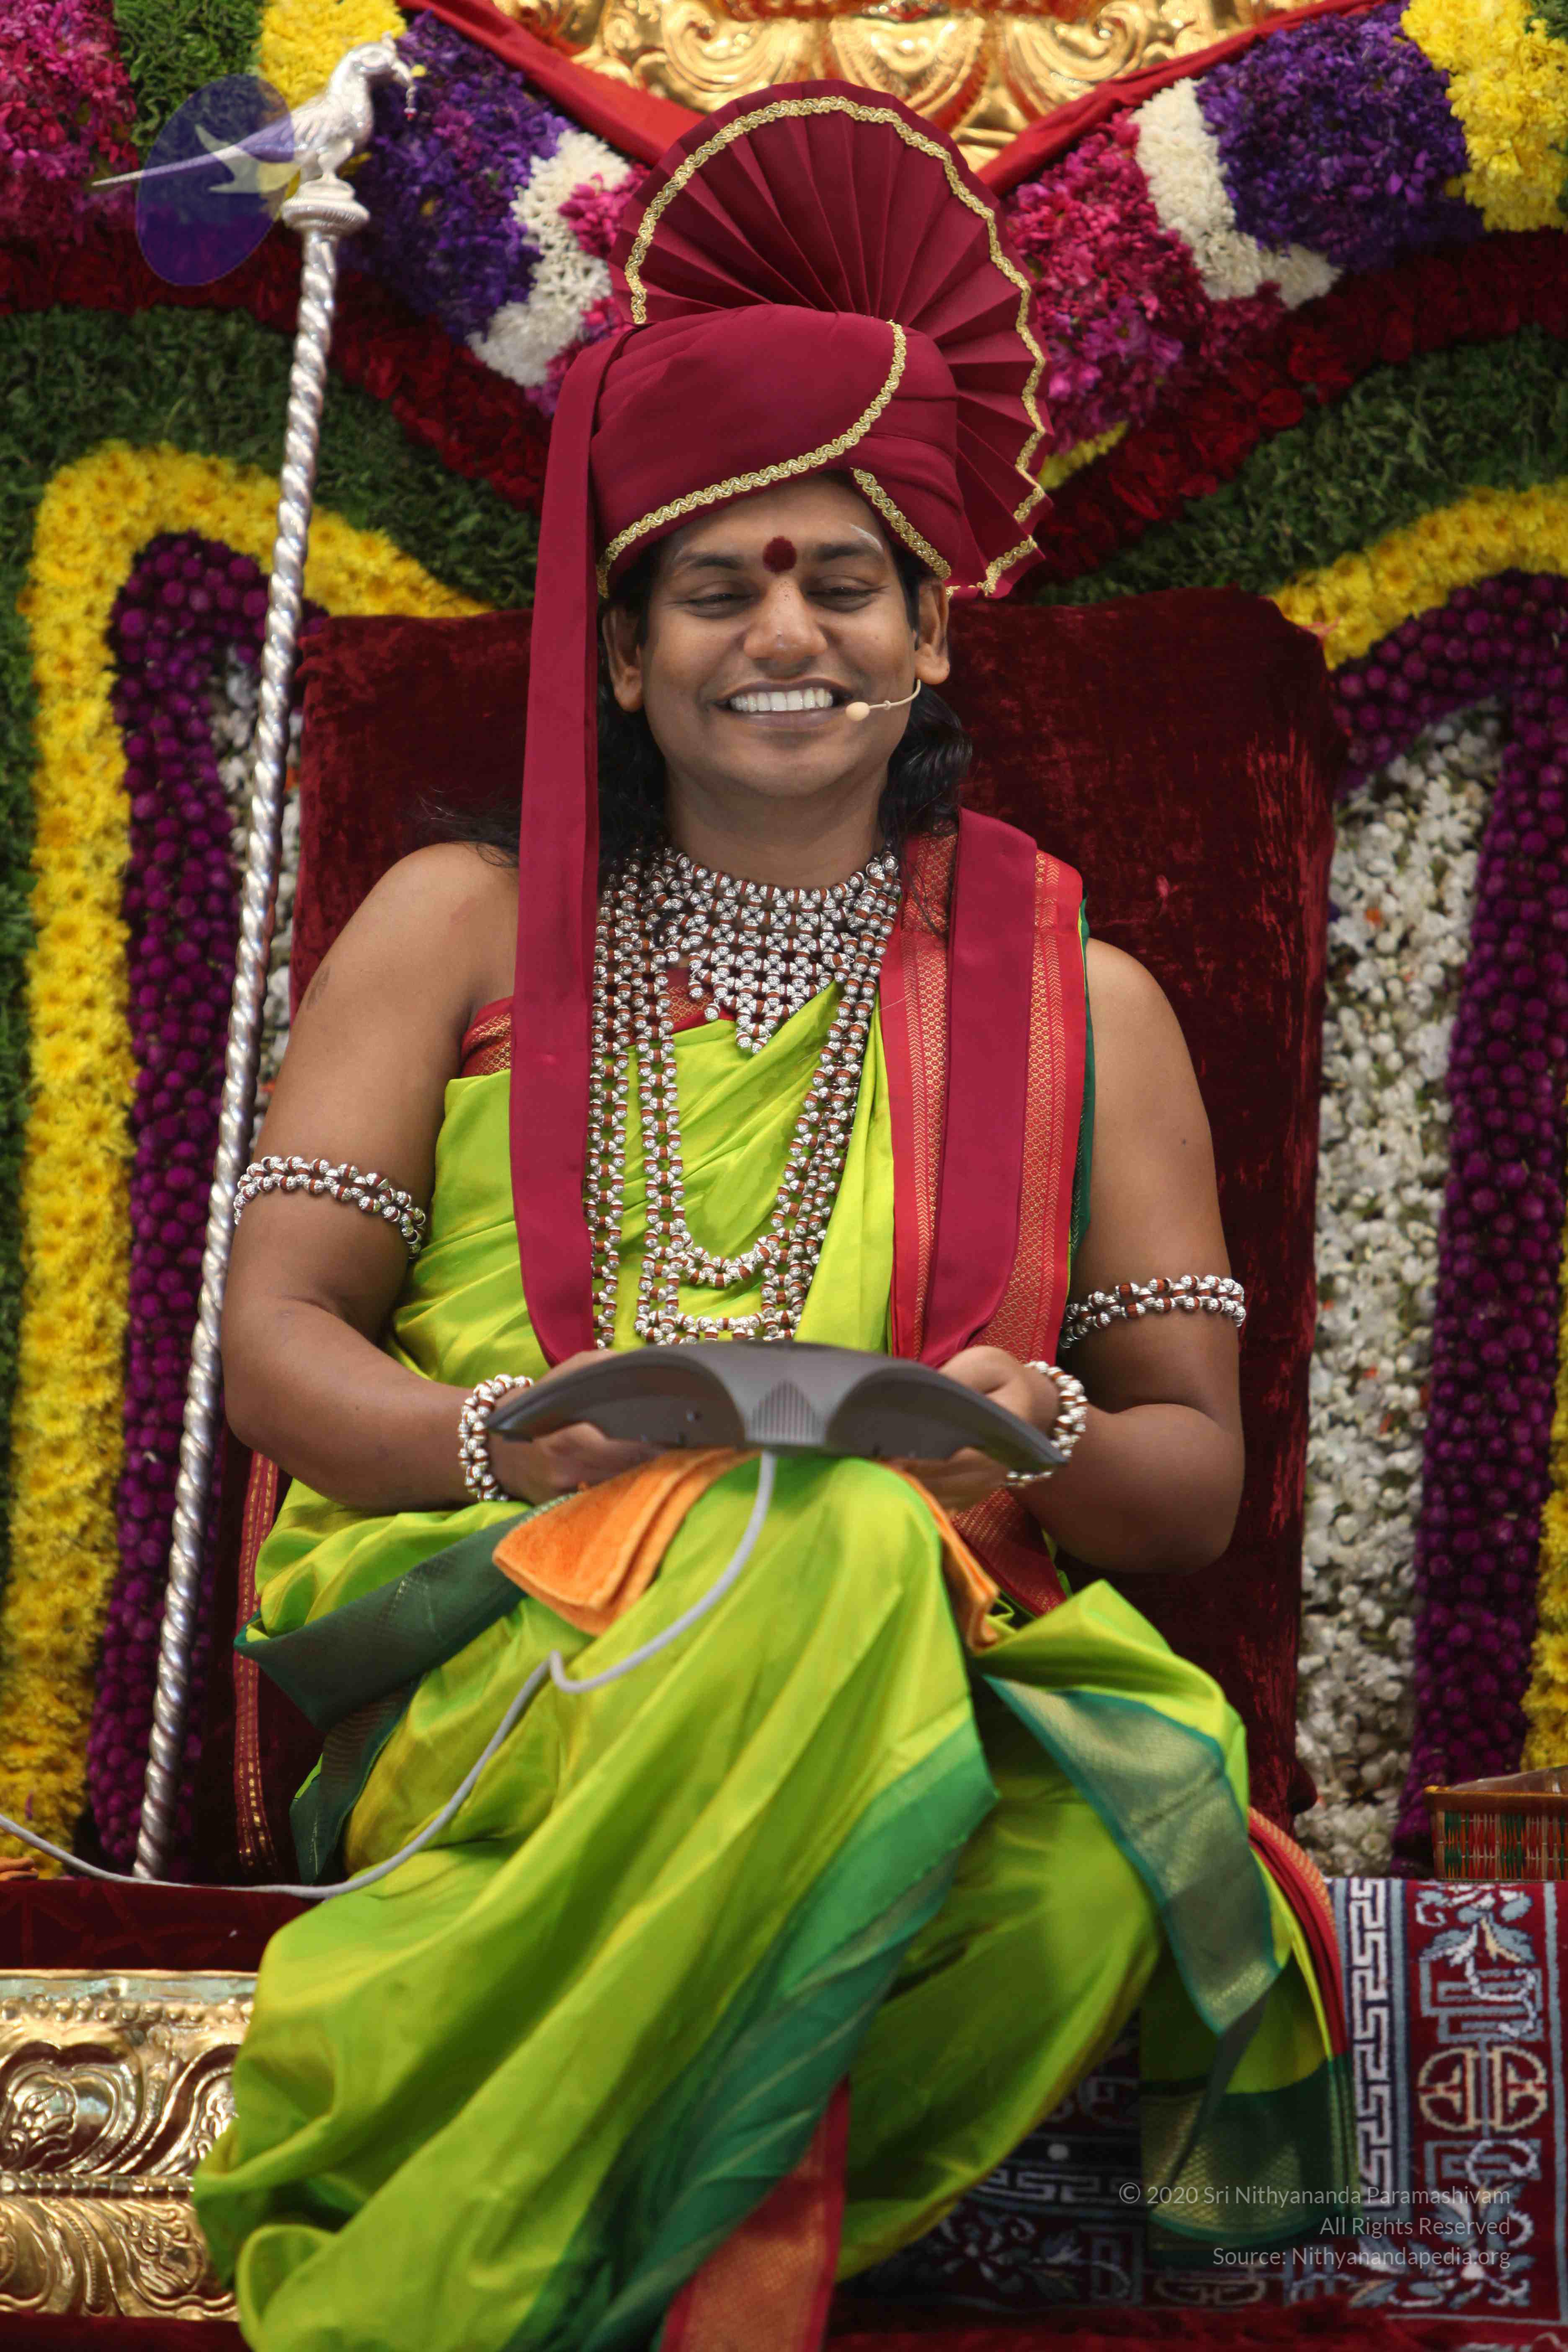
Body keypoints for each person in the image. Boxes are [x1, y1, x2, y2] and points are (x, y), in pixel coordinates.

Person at [192, 83, 1353, 2352]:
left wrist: (1022, 1440)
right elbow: (278, 1344)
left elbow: (1192, 1476)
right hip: (494, 1629)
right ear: (627, 657)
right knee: (808, 1543)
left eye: (842, 579)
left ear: (931, 637)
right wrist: (504, 1440)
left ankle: (519, 2234)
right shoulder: (456, 925)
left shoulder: (1090, 1000)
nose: (783, 628)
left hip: (935, 1647)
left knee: (1069, 1864)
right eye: (716, 588)